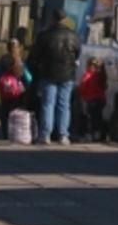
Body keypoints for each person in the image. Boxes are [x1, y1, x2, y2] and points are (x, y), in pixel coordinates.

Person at [28, 10, 81, 145]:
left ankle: (46, 135)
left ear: (53, 19)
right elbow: (77, 53)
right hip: (68, 74)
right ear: (65, 19)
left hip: (48, 73)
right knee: (64, 105)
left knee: (48, 104)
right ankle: (63, 135)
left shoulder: (44, 35)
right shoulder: (73, 35)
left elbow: (35, 55)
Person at [0, 38, 32, 140]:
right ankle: (15, 132)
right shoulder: (20, 60)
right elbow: (28, 78)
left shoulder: (3, 59)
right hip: (18, 92)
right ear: (18, 48)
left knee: (4, 111)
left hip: (5, 91)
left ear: (7, 48)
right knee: (15, 111)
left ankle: (5, 132)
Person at [77, 57, 108, 142]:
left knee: (89, 118)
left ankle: (89, 134)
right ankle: (98, 134)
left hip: (90, 100)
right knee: (98, 117)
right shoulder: (101, 76)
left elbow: (82, 88)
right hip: (101, 100)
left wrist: (83, 96)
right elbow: (105, 88)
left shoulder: (87, 75)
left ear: (89, 65)